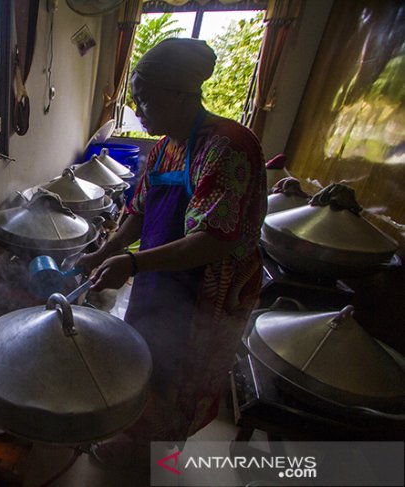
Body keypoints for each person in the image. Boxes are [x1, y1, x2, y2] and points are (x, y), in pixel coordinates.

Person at [78, 38, 267, 455]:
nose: (137, 110)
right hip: (161, 276)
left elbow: (212, 242)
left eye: (144, 99)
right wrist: (105, 251)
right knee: (149, 357)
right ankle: (135, 438)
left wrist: (131, 264)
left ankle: (163, 460)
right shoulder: (164, 148)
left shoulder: (229, 146)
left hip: (212, 289)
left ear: (181, 94)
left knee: (186, 378)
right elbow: (139, 212)